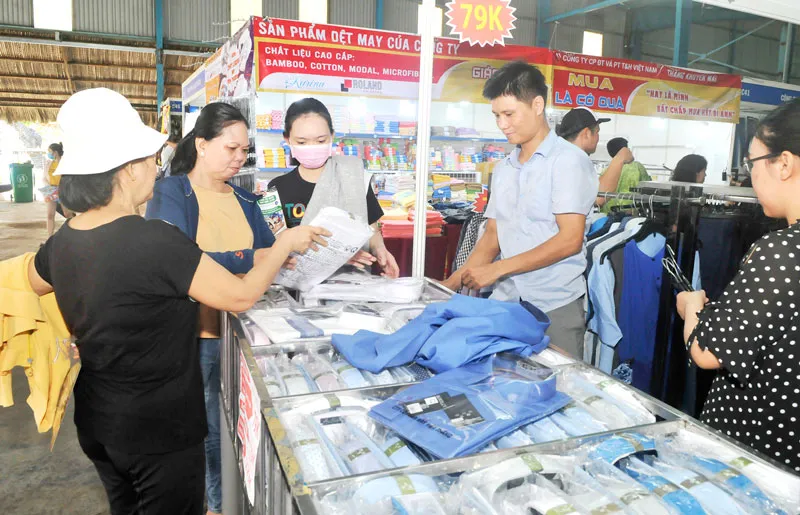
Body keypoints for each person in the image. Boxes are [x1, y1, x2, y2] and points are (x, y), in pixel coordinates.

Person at [26, 88, 329, 514]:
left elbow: (31, 284)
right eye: (150, 159)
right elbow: (239, 296)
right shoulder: (156, 241)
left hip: (98, 419)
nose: (156, 167)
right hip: (160, 429)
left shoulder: (62, 242)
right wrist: (282, 247)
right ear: (128, 170)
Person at [146, 101, 300, 515]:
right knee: (210, 428)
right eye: (231, 148)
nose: (239, 158)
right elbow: (179, 261)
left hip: (248, 331)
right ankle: (216, 505)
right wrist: (252, 257)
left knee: (245, 426)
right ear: (201, 144)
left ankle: (238, 500)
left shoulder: (250, 201)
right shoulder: (171, 192)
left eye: (244, 151)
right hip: (200, 335)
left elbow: (277, 256)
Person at [440, 61, 599, 358]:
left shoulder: (568, 162)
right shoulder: (504, 168)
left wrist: (496, 269)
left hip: (554, 306)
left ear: (537, 105)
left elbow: (570, 239)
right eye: (497, 115)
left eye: (509, 114)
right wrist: (454, 281)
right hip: (506, 302)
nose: (502, 124)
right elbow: (492, 235)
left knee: (558, 389)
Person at [676, 99, 800, 472]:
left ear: (784, 163)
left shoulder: (782, 253)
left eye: (752, 163)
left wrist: (693, 306)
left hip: (757, 455)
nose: (750, 176)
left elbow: (706, 353)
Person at [268, 97, 400, 278]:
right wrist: (336, 257)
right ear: (287, 139)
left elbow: (370, 229)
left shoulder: (353, 175)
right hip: (297, 289)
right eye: (301, 142)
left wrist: (381, 250)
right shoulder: (276, 188)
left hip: (352, 287)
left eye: (321, 140)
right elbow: (275, 251)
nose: (311, 147)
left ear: (332, 136)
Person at [556, 107, 636, 204]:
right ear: (587, 133)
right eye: (597, 132)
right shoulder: (571, 160)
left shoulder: (563, 155)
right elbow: (598, 197)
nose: (598, 138)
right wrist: (619, 158)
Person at [598, 137, 651, 213]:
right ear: (625, 150)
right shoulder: (637, 167)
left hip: (608, 212)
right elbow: (648, 188)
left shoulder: (606, 171)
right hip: (630, 211)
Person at [42, 142, 73, 236]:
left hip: (62, 189)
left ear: (55, 152)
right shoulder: (49, 163)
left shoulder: (65, 163)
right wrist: (48, 188)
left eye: (50, 151)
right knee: (50, 215)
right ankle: (49, 237)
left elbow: (69, 178)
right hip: (51, 189)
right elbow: (44, 178)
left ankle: (72, 234)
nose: (48, 154)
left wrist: (61, 188)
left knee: (67, 214)